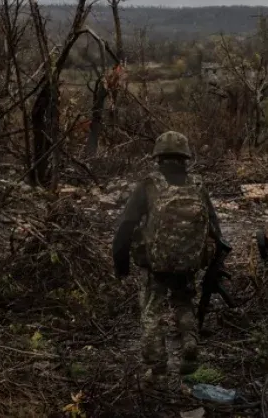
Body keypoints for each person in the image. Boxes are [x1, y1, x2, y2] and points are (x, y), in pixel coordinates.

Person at [111, 131, 226, 385]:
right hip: (188, 263)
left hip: (155, 265)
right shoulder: (197, 185)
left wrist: (121, 264)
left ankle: (158, 369)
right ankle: (189, 348)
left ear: (158, 157)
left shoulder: (149, 185)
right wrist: (210, 259)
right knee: (184, 303)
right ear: (186, 157)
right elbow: (215, 228)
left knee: (152, 312)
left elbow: (126, 226)